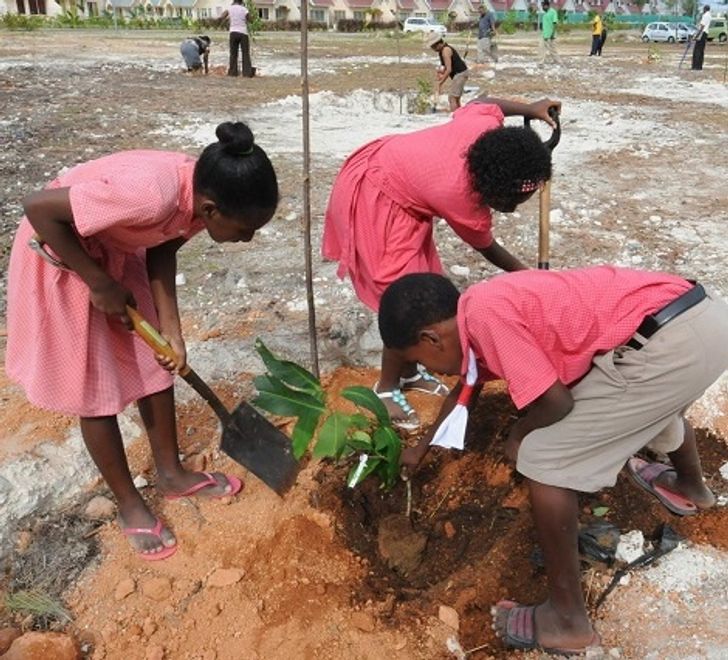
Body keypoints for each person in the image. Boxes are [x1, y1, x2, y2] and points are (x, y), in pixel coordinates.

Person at [380, 267, 728, 653]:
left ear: (431, 338)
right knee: (637, 397)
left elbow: (556, 403)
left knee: (542, 458)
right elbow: (466, 389)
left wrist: (519, 433)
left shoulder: (487, 319)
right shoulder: (479, 307)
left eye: (423, 362)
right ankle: (690, 487)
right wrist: (421, 448)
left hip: (672, 349)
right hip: (701, 320)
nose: (431, 371)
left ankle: (567, 621)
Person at [5, 122, 278, 561]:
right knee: (94, 387)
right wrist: (97, 282)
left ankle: (170, 475)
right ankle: (129, 502)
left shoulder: (199, 194)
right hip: (63, 253)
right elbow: (38, 209)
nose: (247, 239)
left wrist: (172, 330)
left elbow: (163, 248)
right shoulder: (150, 194)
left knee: (157, 361)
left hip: (110, 249)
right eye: (245, 229)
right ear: (210, 210)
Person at [322, 96, 560, 429]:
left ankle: (408, 371)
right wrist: (532, 278)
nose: (515, 208)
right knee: (405, 301)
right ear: (493, 191)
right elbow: (488, 248)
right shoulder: (460, 196)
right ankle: (387, 387)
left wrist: (529, 108)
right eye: (514, 202)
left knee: (427, 282)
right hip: (378, 194)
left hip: (407, 191)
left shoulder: (484, 129)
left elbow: (483, 102)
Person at [428, 32, 469, 112]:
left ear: (438, 44)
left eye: (433, 47)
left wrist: (441, 82)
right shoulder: (442, 51)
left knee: (452, 98)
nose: (433, 50)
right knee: (456, 98)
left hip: (460, 74)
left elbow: (449, 69)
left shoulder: (445, 51)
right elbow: (446, 67)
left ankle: (454, 116)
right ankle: (460, 115)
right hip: (461, 73)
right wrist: (441, 73)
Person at [219, 0, 254, 78]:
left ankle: (233, 73)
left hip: (233, 32)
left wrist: (228, 20)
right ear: (241, 1)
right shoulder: (244, 9)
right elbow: (250, 19)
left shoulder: (230, 8)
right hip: (243, 33)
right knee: (245, 54)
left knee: (233, 54)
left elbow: (222, 16)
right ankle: (247, 73)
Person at [476, 6, 499, 70]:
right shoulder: (481, 16)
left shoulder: (490, 14)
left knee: (485, 49)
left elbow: (492, 24)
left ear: (484, 9)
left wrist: (494, 32)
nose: (480, 13)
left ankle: (493, 59)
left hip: (486, 35)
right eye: (479, 12)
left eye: (480, 11)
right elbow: (480, 24)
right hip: (480, 35)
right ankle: (480, 61)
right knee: (479, 49)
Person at [539, 0, 562, 65]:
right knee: (542, 48)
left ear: (547, 5)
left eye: (543, 6)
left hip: (551, 35)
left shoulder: (553, 12)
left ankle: (558, 61)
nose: (542, 7)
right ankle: (541, 62)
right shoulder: (545, 14)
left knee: (552, 49)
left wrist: (552, 34)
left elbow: (555, 24)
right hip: (544, 35)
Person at [692, 5, 711, 71]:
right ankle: (699, 66)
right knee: (701, 50)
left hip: (702, 33)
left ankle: (695, 66)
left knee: (697, 50)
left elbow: (702, 26)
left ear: (705, 9)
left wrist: (696, 35)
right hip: (705, 34)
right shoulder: (709, 16)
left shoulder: (705, 15)